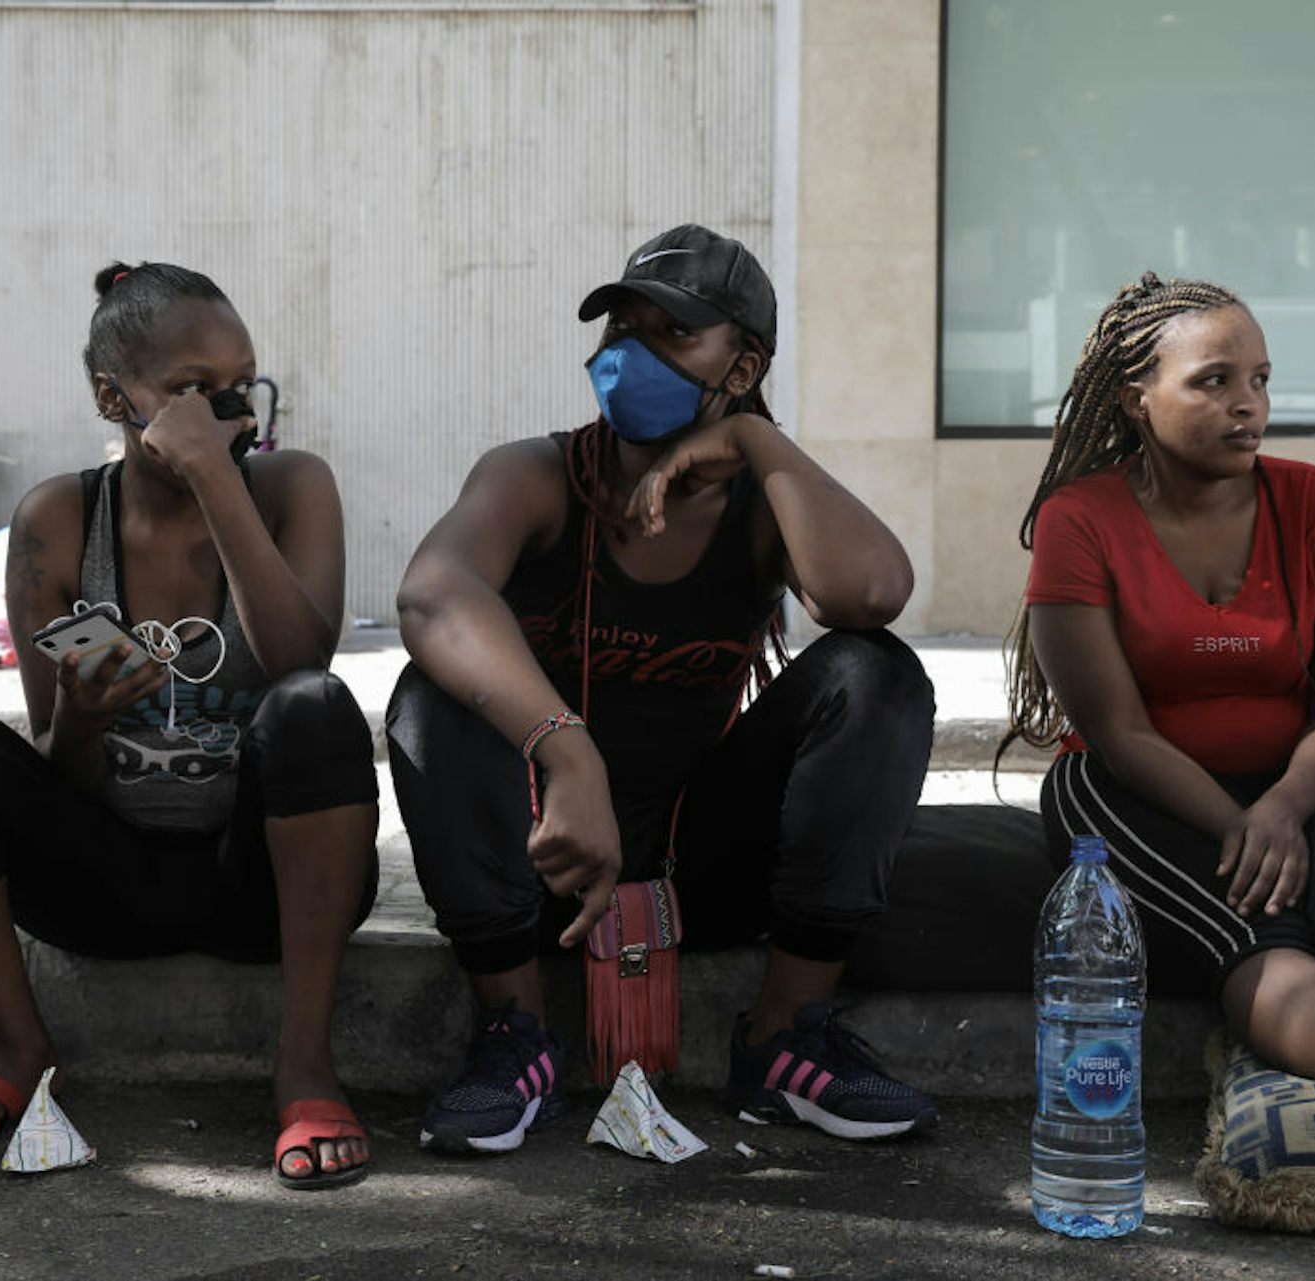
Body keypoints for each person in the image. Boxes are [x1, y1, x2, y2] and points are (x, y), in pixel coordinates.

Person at [389, 224, 938, 1155]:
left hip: (701, 866)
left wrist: (761, 444)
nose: (630, 355)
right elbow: (432, 592)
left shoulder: (766, 507)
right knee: (426, 695)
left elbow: (871, 592)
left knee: (875, 674)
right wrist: (569, 755)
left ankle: (785, 1037)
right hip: (542, 857)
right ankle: (513, 1035)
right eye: (620, 332)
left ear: (743, 365)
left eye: (672, 336)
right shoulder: (538, 476)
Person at [1002, 271, 1315, 1202]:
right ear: (1135, 397)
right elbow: (1118, 730)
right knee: (1253, 930)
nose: (1249, 405)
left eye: (1263, 380)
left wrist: (1283, 804)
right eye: (1214, 381)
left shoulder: (1313, 502)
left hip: (1311, 778)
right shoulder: (1082, 520)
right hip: (1131, 792)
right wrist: (1246, 822)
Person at [0, 262, 380, 1189]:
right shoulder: (60, 520)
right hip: (107, 886)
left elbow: (302, 663)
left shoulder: (292, 485)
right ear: (115, 395)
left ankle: (304, 1063)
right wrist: (78, 721)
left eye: (239, 382)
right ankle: (22, 1050)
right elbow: (58, 782)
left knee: (316, 709)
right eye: (191, 389)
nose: (227, 409)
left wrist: (217, 476)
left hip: (259, 883)